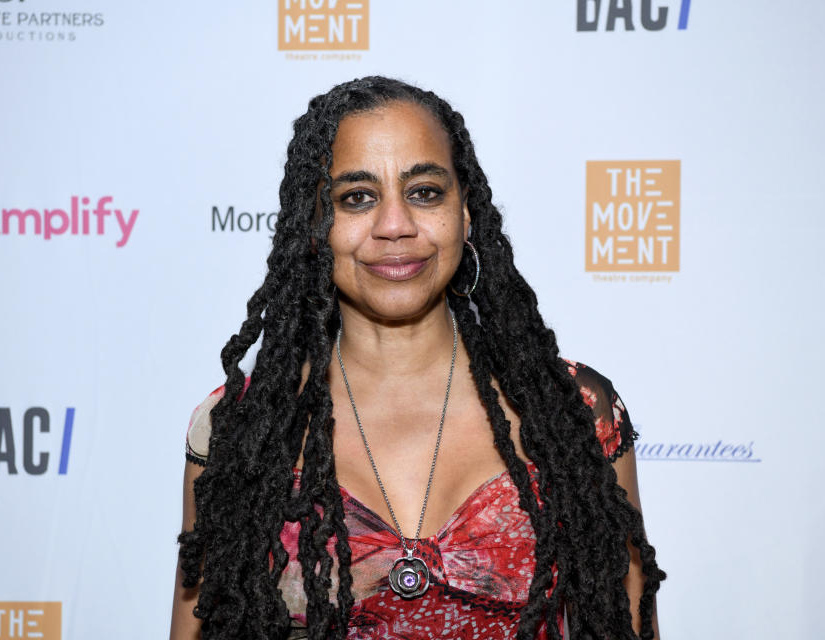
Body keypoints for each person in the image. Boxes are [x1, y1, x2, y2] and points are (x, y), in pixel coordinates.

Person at [169, 76, 664, 639]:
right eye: (356, 198)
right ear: (313, 227)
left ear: (466, 210)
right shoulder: (243, 429)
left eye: (425, 191)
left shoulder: (572, 412)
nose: (395, 226)